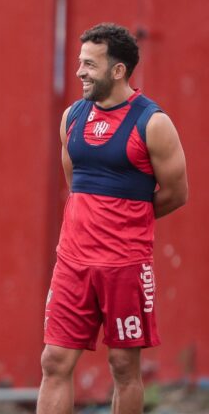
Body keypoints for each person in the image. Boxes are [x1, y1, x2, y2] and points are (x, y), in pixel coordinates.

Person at [37, 23, 188, 413]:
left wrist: (127, 218)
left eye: (90, 64)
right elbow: (75, 183)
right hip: (72, 263)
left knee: (123, 366)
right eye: (80, 62)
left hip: (125, 265)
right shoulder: (72, 117)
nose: (80, 72)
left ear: (118, 70)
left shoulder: (152, 122)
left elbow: (176, 193)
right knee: (54, 360)